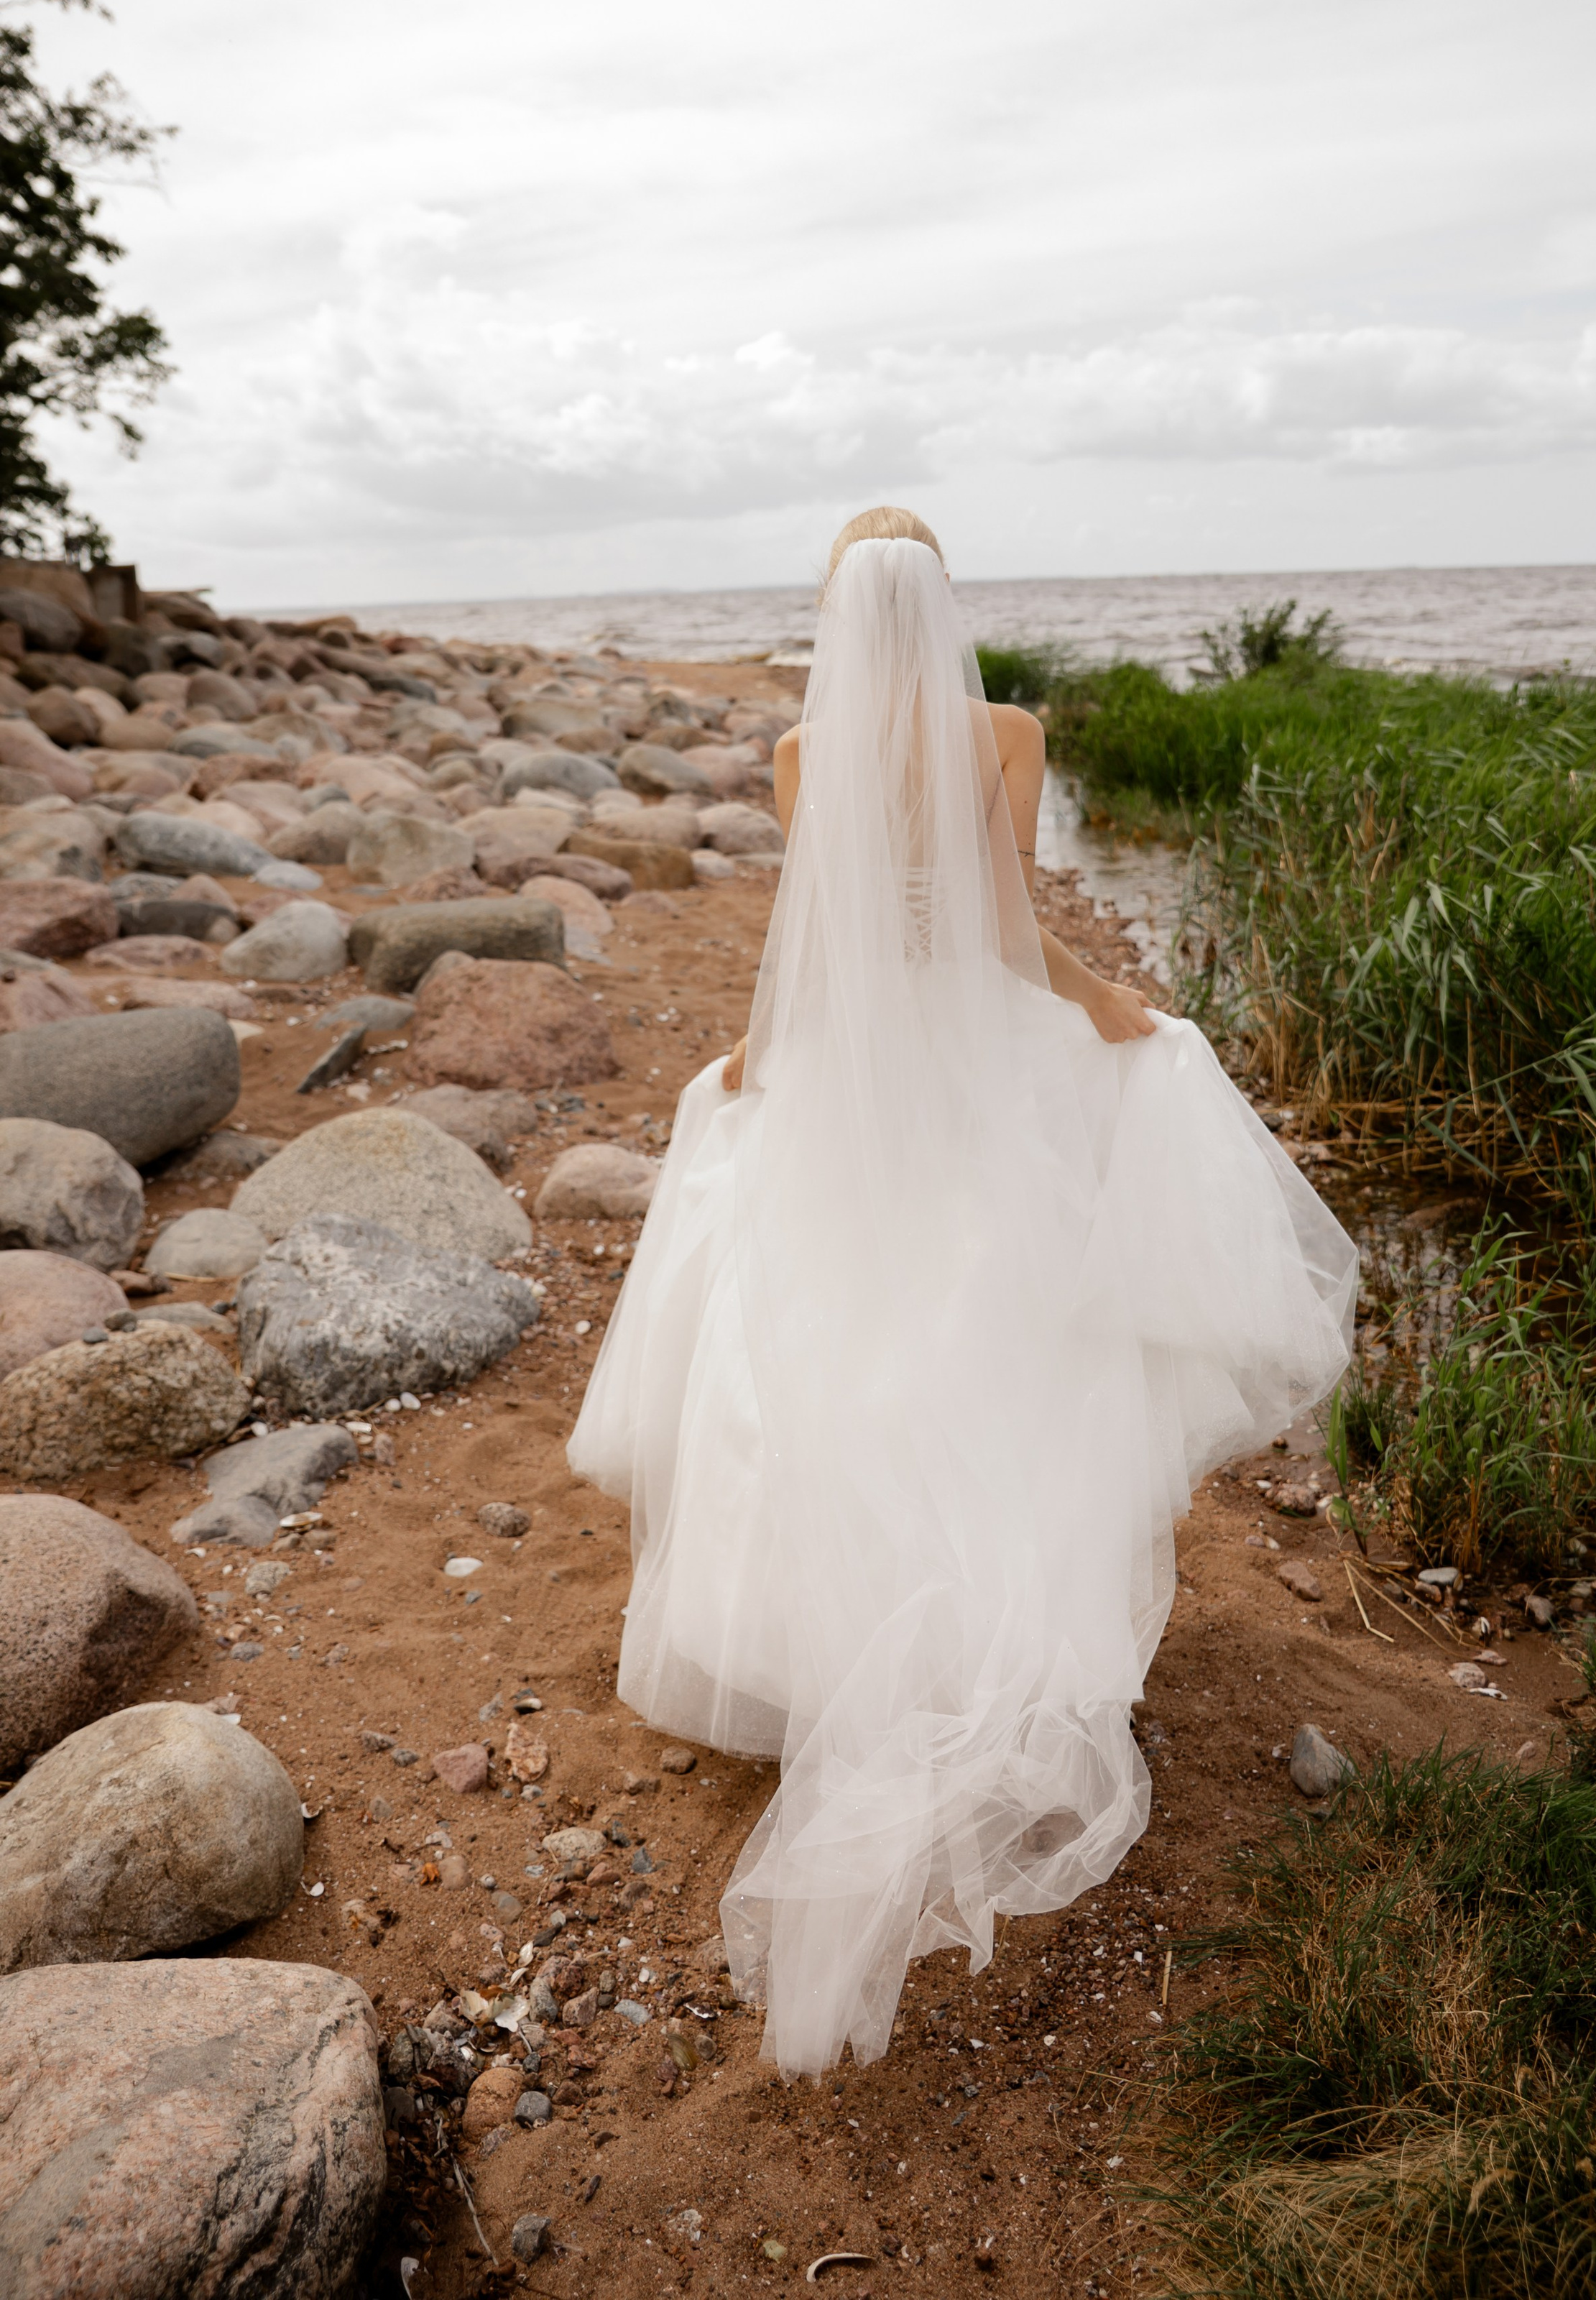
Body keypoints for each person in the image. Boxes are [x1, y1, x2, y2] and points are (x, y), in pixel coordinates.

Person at [567, 508, 1355, 2078]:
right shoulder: (1005, 729)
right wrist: (1118, 1004)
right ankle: (992, 1643)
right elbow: (1001, 934)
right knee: (1007, 1341)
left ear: (836, 614)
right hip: (974, 1057)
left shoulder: (806, 752)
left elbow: (814, 944)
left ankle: (824, 1652)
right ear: (939, 604)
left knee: (840, 1343)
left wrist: (758, 1057)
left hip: (863, 1077)